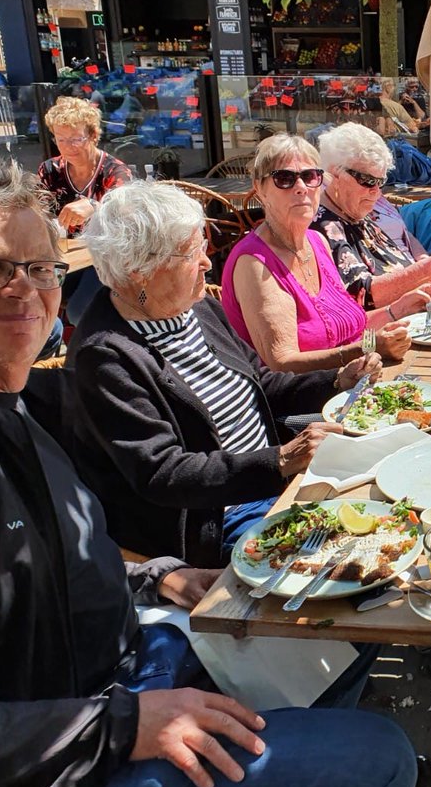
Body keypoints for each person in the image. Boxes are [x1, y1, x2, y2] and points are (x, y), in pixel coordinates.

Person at [0, 158, 417, 787]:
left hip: (133, 659)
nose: (25, 289)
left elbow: (30, 565)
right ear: (141, 273)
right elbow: (160, 473)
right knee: (380, 755)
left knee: (360, 609)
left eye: (43, 268)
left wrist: (156, 577)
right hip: (71, 744)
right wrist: (121, 726)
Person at [68, 180, 382, 568]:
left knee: (391, 499)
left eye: (203, 245)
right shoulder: (104, 356)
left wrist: (336, 381)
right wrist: (280, 459)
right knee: (358, 560)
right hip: (220, 519)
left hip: (280, 488)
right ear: (139, 272)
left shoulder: (196, 309)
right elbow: (163, 472)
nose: (206, 261)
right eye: (191, 252)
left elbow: (262, 385)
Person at [223, 134, 418, 372]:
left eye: (309, 176)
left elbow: (347, 328)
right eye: (284, 178)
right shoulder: (254, 263)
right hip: (301, 402)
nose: (301, 188)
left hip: (354, 383)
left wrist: (397, 309)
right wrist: (370, 347)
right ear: (260, 189)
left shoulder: (317, 243)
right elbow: (281, 363)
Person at [313, 122, 431, 309]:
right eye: (368, 181)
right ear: (335, 174)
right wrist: (428, 269)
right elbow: (361, 295)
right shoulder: (322, 226)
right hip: (382, 332)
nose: (377, 192)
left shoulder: (356, 213)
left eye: (381, 182)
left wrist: (428, 277)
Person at [37, 95, 132, 233]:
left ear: (93, 135)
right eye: (61, 140)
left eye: (76, 139)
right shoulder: (49, 170)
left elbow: (127, 215)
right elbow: (39, 214)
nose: (68, 147)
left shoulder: (115, 172)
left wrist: (95, 207)